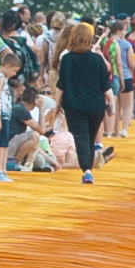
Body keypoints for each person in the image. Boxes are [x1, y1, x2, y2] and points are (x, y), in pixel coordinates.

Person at [54, 21, 113, 181]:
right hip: (95, 105)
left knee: (80, 137)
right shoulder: (97, 59)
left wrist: (56, 105)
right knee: (90, 138)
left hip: (74, 105)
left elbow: (61, 85)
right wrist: (112, 103)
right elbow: (105, 86)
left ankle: (87, 170)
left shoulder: (67, 59)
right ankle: (89, 168)